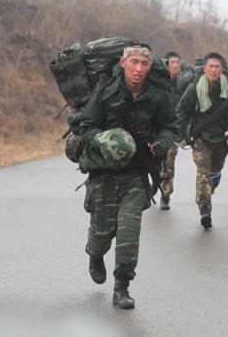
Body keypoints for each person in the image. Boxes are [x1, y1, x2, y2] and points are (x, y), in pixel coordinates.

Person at [78, 45, 177, 309]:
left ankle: (122, 286)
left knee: (129, 231)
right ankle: (95, 254)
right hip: (104, 173)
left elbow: (170, 126)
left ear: (150, 66)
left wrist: (161, 142)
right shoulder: (106, 92)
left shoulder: (158, 95)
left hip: (135, 173)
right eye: (134, 62)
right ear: (123, 62)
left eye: (144, 64)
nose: (139, 69)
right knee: (101, 233)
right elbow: (86, 127)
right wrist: (105, 140)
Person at [176, 52, 228, 229]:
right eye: (210, 66)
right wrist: (181, 135)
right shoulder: (195, 88)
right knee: (202, 172)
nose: (213, 69)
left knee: (215, 170)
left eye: (217, 66)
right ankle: (205, 208)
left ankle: (214, 181)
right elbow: (182, 111)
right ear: (204, 68)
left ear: (222, 69)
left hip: (221, 137)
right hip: (201, 137)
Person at [159, 51, 193, 210]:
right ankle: (155, 182)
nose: (174, 65)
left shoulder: (184, 83)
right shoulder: (159, 82)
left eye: (177, 63)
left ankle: (165, 195)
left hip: (173, 130)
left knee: (169, 161)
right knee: (155, 161)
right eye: (171, 62)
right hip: (156, 129)